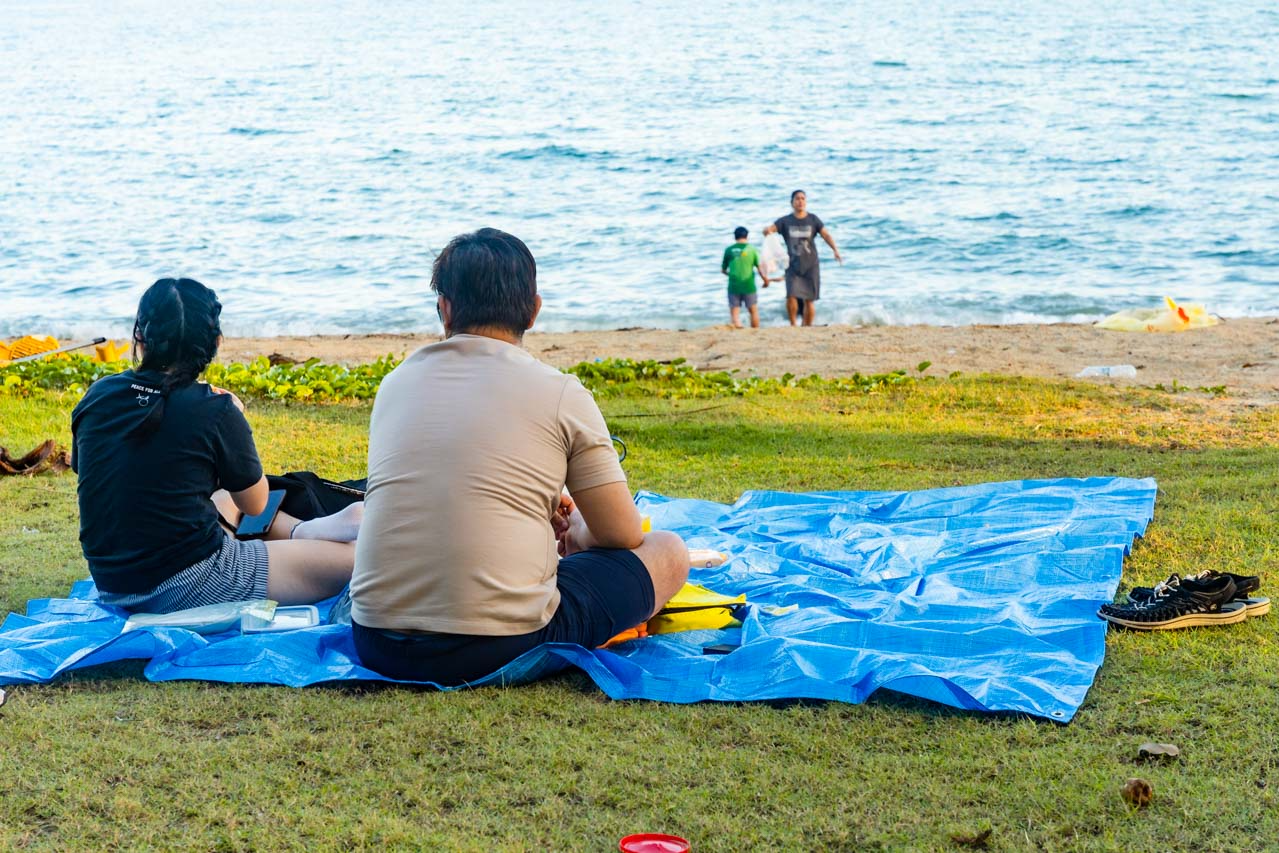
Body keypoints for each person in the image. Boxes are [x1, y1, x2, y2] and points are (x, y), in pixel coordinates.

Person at [350, 228, 689, 685]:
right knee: (668, 550)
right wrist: (579, 534)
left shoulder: (394, 385)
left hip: (377, 640)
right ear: (533, 310)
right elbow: (622, 535)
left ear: (444, 308)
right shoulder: (560, 391)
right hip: (496, 645)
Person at [71, 278, 361, 613]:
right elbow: (255, 504)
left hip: (112, 582)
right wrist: (233, 420)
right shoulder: (215, 410)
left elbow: (106, 472)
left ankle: (305, 530)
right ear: (215, 342)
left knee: (224, 498)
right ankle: (309, 533)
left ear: (139, 334)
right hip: (187, 581)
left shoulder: (99, 393)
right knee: (354, 559)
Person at [763, 189, 842, 326]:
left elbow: (826, 235)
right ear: (792, 202)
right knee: (791, 295)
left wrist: (835, 250)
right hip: (792, 265)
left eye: (803, 198)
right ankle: (793, 325)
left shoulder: (813, 219)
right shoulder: (785, 221)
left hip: (811, 265)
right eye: (797, 199)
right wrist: (766, 231)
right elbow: (769, 229)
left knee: (809, 299)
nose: (800, 201)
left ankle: (807, 326)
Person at [721, 226, 773, 328]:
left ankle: (738, 328)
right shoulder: (752, 250)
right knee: (753, 310)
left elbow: (723, 270)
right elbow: (759, 268)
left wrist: (731, 275)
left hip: (734, 284)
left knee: (735, 310)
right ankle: (755, 330)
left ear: (735, 236)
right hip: (748, 284)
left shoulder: (729, 250)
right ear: (747, 236)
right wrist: (765, 280)